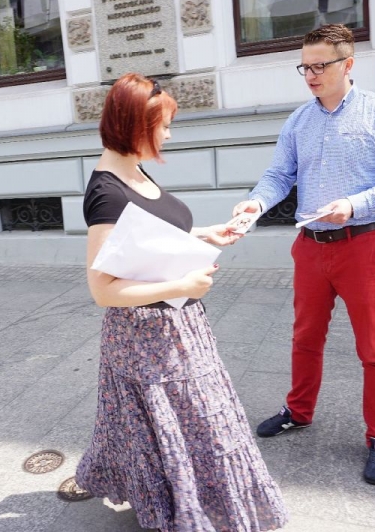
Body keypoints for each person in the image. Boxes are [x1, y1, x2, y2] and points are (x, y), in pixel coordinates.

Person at [75, 73, 288, 531]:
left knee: (190, 426)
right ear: (136, 126)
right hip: (146, 340)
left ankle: (195, 506)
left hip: (178, 328)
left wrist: (205, 233)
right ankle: (190, 512)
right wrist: (180, 286)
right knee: (197, 426)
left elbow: (147, 239)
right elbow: (102, 290)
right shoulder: (106, 193)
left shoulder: (132, 168)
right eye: (164, 126)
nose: (169, 135)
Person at [232, 24, 375, 485]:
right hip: (311, 248)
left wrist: (355, 205)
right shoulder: (300, 120)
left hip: (362, 246)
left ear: (348, 64)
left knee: (374, 349)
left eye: (320, 65)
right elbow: (279, 175)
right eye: (305, 67)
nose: (311, 75)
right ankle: (298, 411)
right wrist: (255, 204)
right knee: (304, 337)